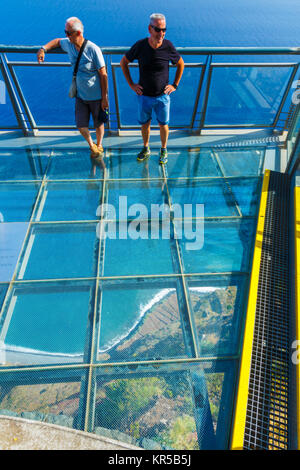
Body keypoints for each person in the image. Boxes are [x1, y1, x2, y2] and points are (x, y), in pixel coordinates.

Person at [37, 17, 108, 158]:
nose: (66, 36)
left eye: (69, 33)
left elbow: (103, 74)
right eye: (66, 32)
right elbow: (57, 41)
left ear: (79, 33)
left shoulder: (93, 49)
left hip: (96, 95)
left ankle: (99, 145)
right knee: (81, 125)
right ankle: (91, 145)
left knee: (98, 123)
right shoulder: (69, 44)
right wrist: (43, 49)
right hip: (80, 95)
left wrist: (104, 98)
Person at [120, 13, 184, 164]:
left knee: (164, 124)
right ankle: (146, 147)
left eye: (164, 30)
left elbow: (181, 63)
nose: (161, 33)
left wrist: (175, 85)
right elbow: (124, 62)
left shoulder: (168, 46)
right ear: (150, 29)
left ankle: (163, 149)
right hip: (144, 96)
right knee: (145, 124)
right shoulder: (140, 46)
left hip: (163, 96)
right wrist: (131, 84)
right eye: (158, 29)